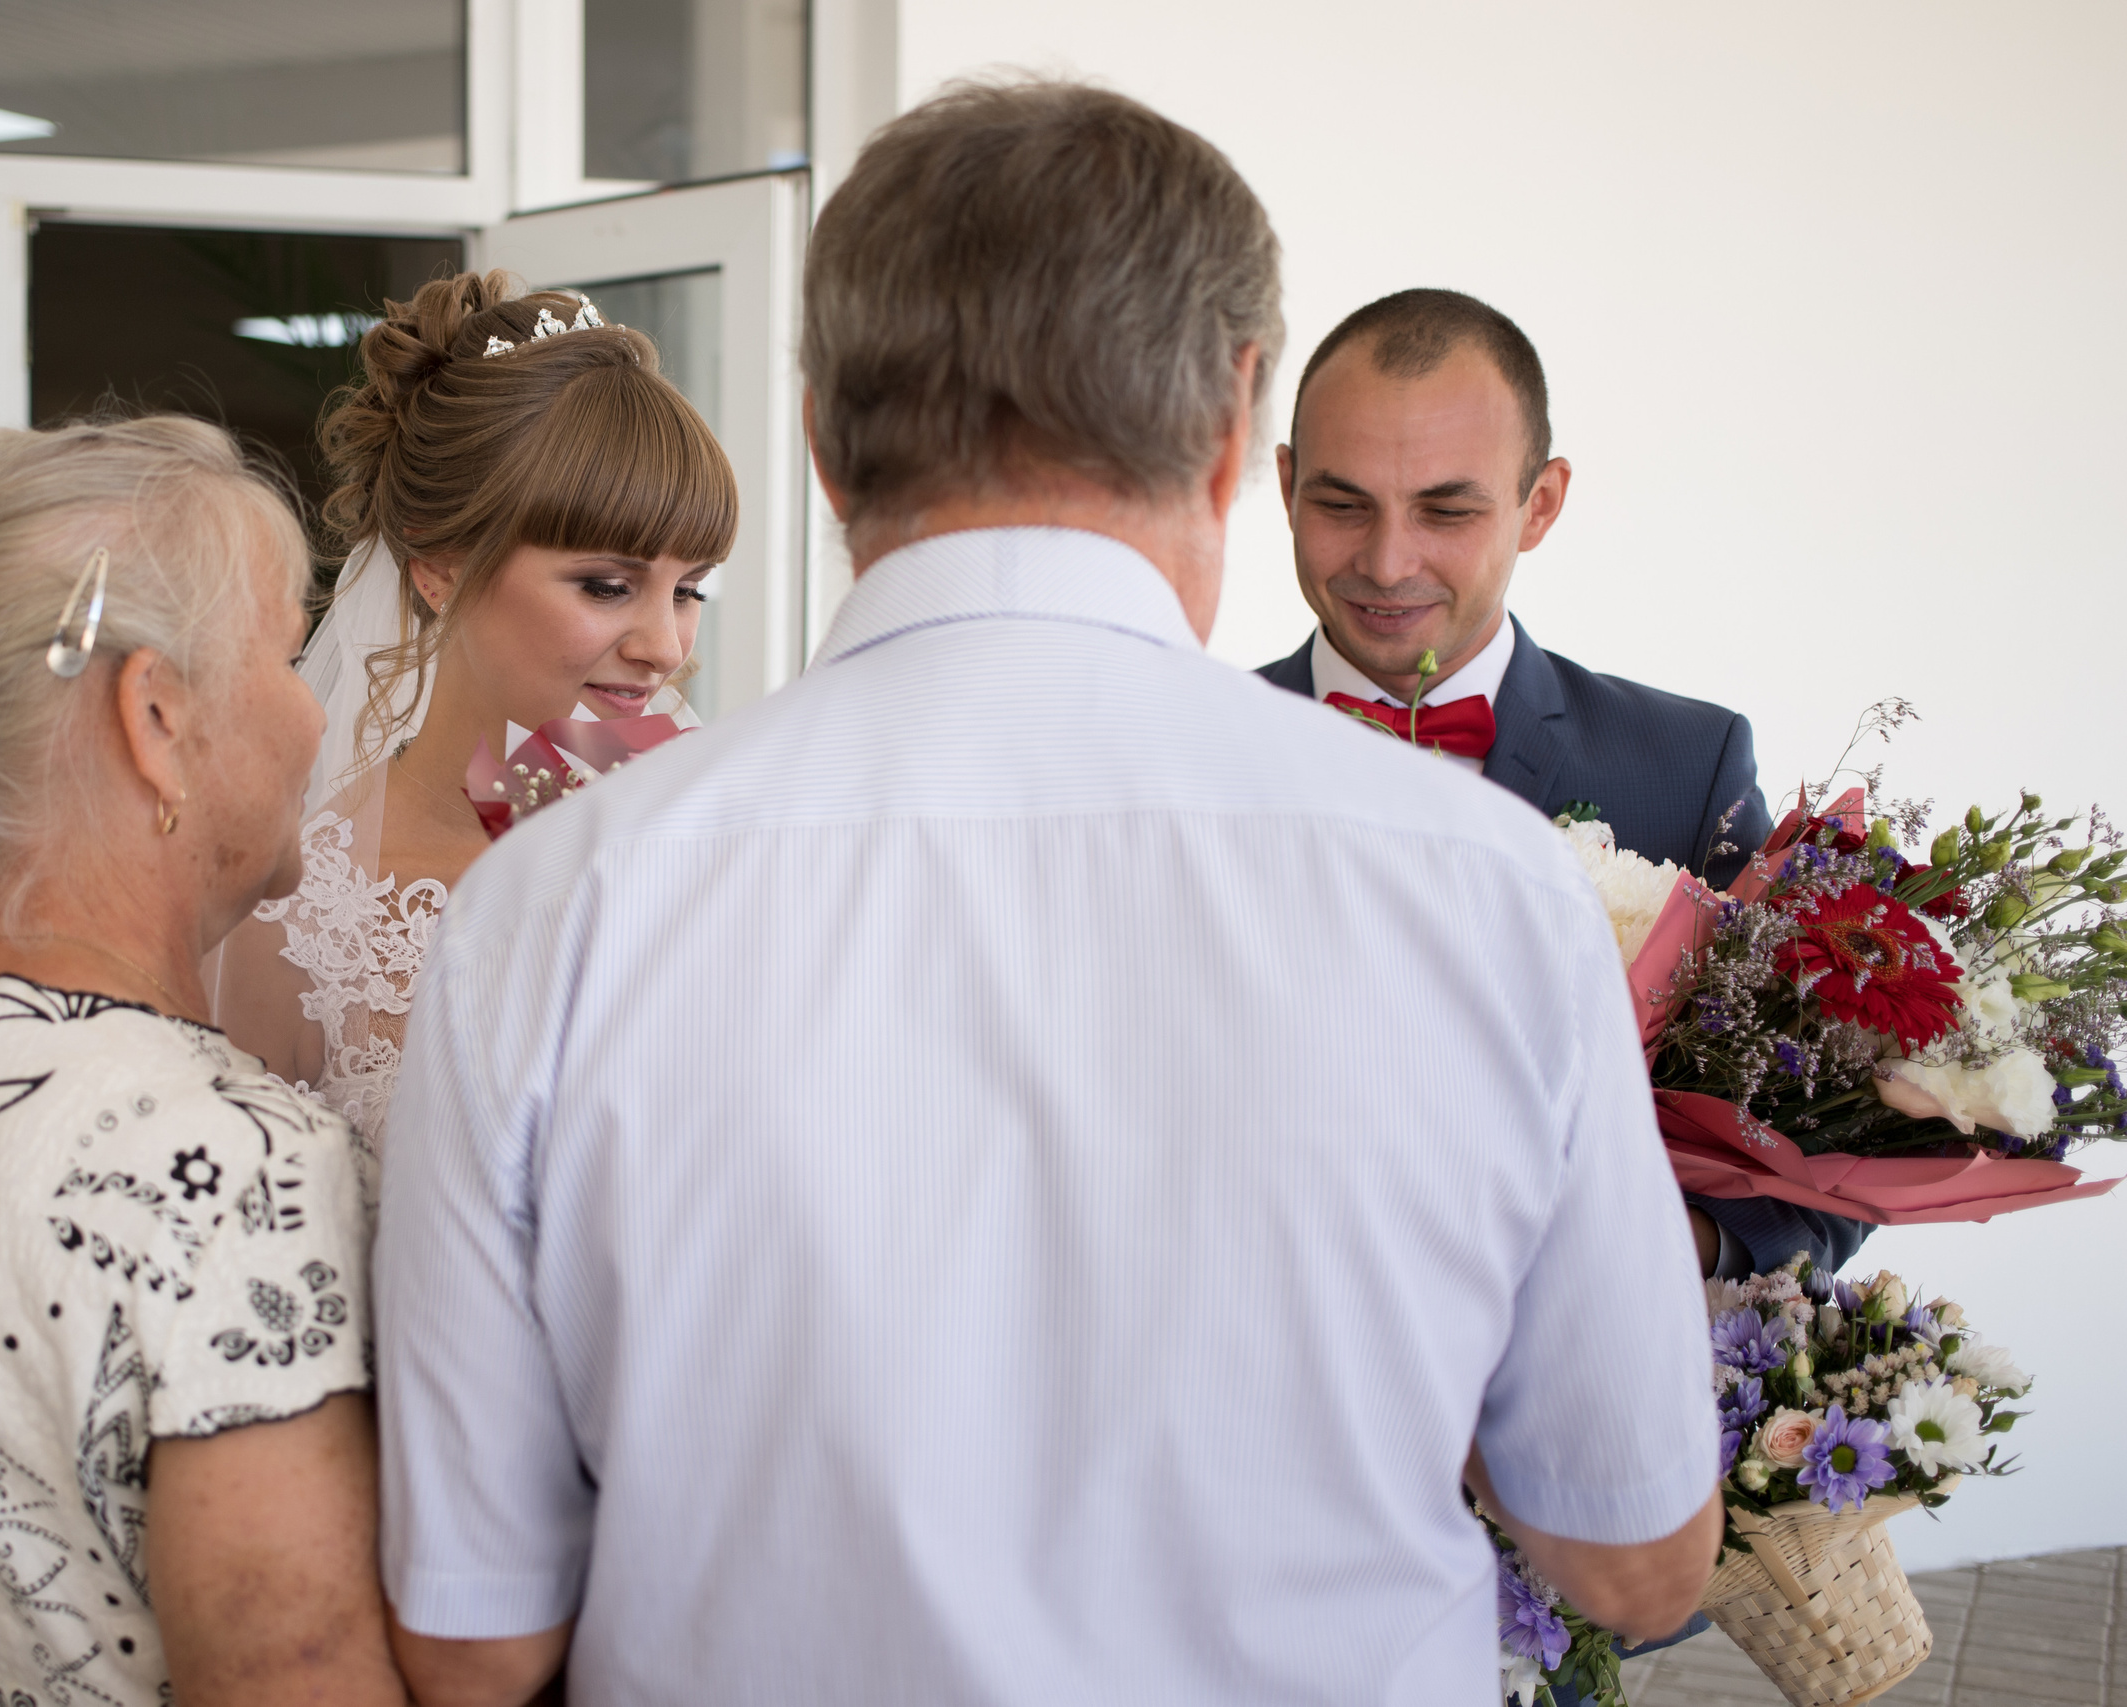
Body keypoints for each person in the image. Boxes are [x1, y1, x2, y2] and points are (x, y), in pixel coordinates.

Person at [372, 80, 1721, 1707]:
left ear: (818, 437)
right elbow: (1640, 1562)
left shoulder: (555, 906)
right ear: (1237, 427)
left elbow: (475, 1639)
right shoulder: (1482, 886)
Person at [0, 418, 404, 1707]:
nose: (314, 707)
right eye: (288, 654)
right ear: (156, 716)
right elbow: (293, 1678)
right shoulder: (231, 1163)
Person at [1254, 289, 1870, 1283]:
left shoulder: (1688, 765)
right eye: (1340, 504)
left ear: (1539, 504)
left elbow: (1828, 1146)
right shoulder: (1163, 759)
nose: (1386, 560)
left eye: (1446, 510)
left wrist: (1668, 1242)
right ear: (1285, 486)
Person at [213, 273, 735, 1148]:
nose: (665, 647)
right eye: (607, 586)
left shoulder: (699, 827)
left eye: (689, 591)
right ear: (442, 570)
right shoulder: (300, 925)